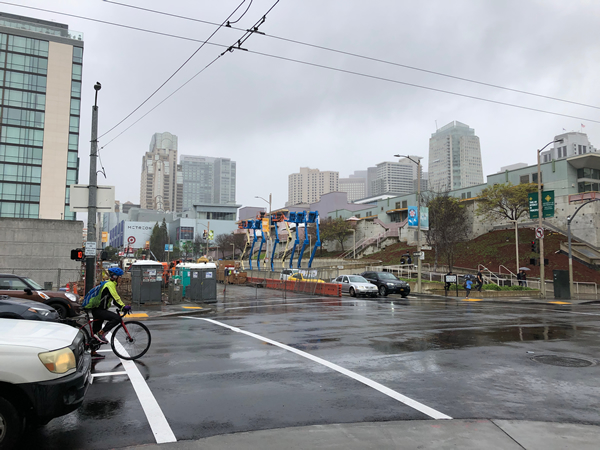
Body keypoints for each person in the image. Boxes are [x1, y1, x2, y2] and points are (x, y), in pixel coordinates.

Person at [84, 267, 130, 359]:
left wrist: (121, 306)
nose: (121, 279)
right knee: (116, 318)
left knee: (95, 333)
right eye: (120, 277)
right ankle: (101, 333)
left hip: (98, 309)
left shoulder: (108, 283)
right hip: (99, 310)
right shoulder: (109, 285)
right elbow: (116, 298)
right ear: (115, 277)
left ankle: (93, 351)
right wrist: (123, 306)